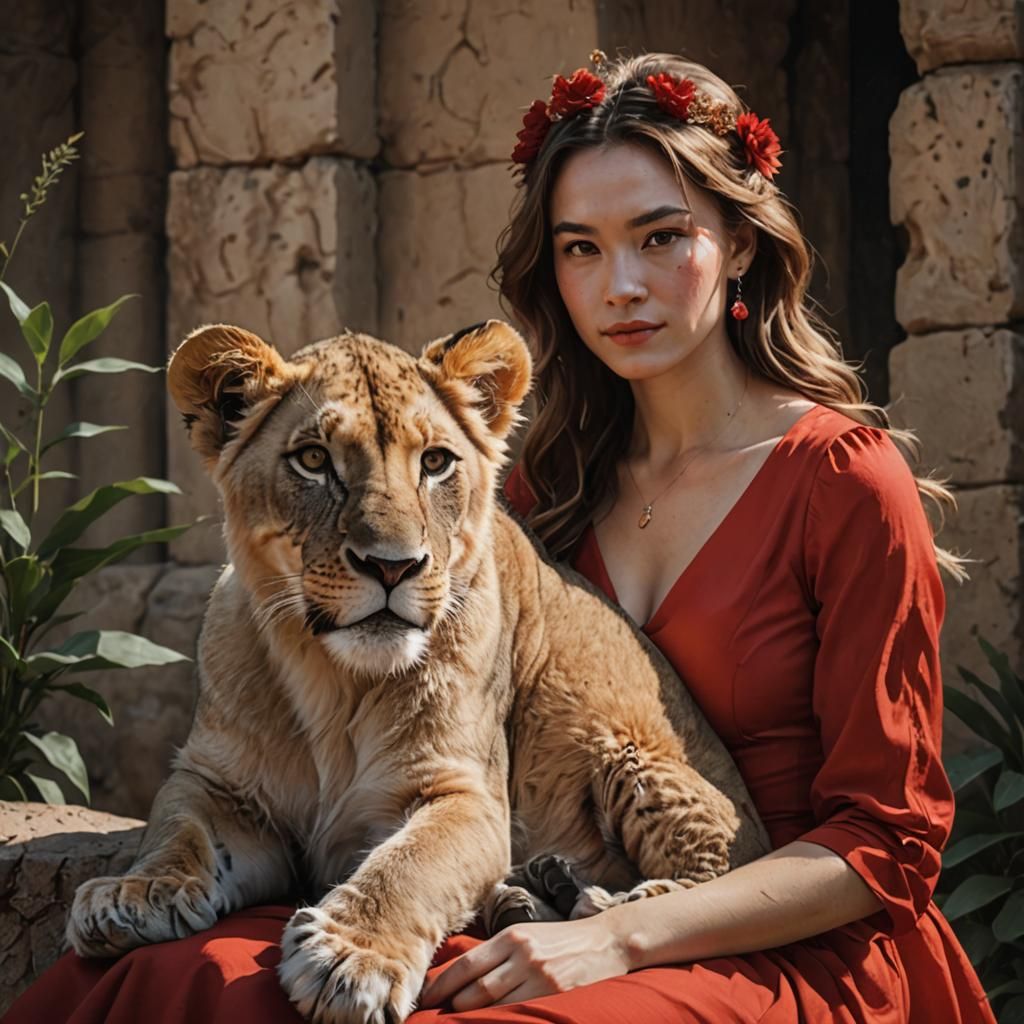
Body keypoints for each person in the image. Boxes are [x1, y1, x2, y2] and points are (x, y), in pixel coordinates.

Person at [4, 51, 995, 1024]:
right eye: (581, 247)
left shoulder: (844, 480)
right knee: (178, 981)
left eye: (660, 237)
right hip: (548, 891)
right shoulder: (535, 482)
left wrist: (612, 937)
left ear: (738, 241)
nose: (621, 285)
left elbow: (887, 845)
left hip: (785, 941)